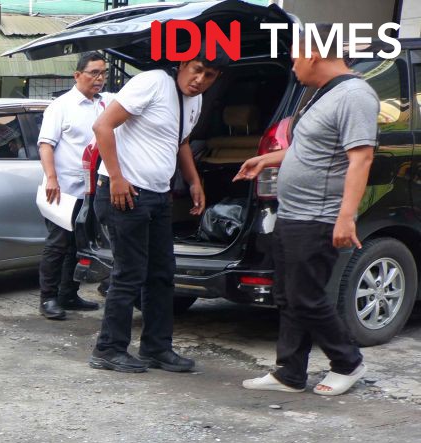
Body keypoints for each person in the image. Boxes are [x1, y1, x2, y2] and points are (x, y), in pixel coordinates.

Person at [235, 32, 377, 396]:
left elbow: (360, 157)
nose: (293, 65)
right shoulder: (324, 95)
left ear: (313, 54)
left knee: (306, 297)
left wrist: (346, 217)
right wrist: (267, 158)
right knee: (286, 295)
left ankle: (348, 362)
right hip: (293, 213)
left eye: (295, 57)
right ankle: (290, 373)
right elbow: (309, 149)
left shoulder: (355, 96)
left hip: (318, 215)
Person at [88, 53, 227, 373]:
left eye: (210, 76)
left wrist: (194, 181)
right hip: (126, 193)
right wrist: (117, 178)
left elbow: (181, 141)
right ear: (182, 65)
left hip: (158, 196)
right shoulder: (152, 83)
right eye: (197, 71)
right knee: (129, 274)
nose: (200, 80)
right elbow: (103, 126)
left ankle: (156, 348)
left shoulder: (194, 100)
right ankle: (108, 349)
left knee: (162, 275)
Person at [36, 51, 112, 320]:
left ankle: (68, 293)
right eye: (94, 73)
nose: (99, 78)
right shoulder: (61, 106)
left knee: (80, 245)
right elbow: (46, 144)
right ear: (77, 75)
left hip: (94, 190)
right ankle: (48, 298)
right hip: (64, 189)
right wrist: (52, 178)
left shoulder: (105, 104)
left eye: (103, 72)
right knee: (58, 244)